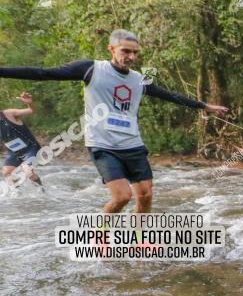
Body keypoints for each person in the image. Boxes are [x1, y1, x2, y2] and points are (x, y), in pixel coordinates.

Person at [0, 30, 229, 212]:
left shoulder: (140, 79)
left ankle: (139, 239)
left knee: (146, 196)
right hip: (103, 145)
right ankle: (101, 234)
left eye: (135, 53)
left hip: (132, 144)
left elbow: (169, 95)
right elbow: (43, 73)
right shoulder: (90, 68)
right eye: (125, 51)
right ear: (111, 49)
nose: (130, 57)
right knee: (122, 197)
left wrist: (204, 106)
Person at [1, 92, 43, 189]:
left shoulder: (8, 114)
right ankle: (17, 194)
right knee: (6, 172)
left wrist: (29, 103)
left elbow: (31, 111)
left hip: (30, 148)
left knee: (27, 170)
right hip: (14, 152)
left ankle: (43, 193)